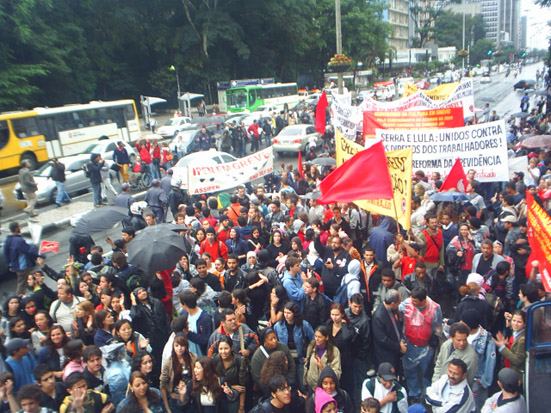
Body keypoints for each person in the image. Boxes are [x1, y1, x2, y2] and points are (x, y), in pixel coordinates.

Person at [399, 287, 442, 403]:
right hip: (409, 345)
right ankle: (414, 394)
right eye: (411, 300)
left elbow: (438, 327)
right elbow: (397, 311)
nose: (412, 303)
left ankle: (427, 396)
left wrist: (434, 344)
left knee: (427, 374)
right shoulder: (407, 303)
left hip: (427, 347)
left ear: (423, 300)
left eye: (415, 301)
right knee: (410, 372)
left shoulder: (435, 308)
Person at [432, 322, 478, 387]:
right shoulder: (446, 345)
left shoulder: (471, 357)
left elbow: (468, 380)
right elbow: (439, 364)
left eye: (464, 340)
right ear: (452, 337)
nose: (462, 343)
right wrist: (435, 383)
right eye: (459, 340)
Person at [212, 335, 249, 413]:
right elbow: (213, 381)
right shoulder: (215, 359)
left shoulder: (240, 361)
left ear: (231, 348)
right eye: (220, 349)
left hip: (235, 398)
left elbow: (242, 387)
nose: (223, 352)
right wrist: (231, 386)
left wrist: (241, 408)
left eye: (226, 348)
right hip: (220, 398)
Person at [159, 334, 196, 413]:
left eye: (182, 345)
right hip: (174, 399)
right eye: (176, 345)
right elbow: (162, 384)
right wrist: (167, 408)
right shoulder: (168, 362)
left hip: (190, 398)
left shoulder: (193, 358)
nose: (179, 348)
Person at [4, 222, 42, 295]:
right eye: (19, 227)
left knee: (29, 279)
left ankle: (36, 293)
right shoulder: (18, 241)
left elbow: (6, 253)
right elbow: (28, 250)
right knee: (23, 283)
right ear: (16, 229)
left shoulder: (8, 240)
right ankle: (19, 298)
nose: (20, 228)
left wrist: (9, 265)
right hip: (22, 266)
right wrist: (40, 255)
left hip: (17, 266)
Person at [372, 289, 406, 369]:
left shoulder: (393, 310)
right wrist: (399, 347)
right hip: (386, 356)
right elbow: (383, 340)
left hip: (396, 350)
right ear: (393, 303)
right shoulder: (379, 316)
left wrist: (401, 340)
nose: (399, 305)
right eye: (398, 303)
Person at [303, 325, 341, 393]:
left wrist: (322, 369)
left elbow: (337, 372)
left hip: (327, 387)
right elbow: (307, 365)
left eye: (319, 337)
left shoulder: (334, 351)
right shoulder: (312, 346)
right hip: (312, 385)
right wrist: (305, 381)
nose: (317, 339)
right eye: (315, 336)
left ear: (326, 337)